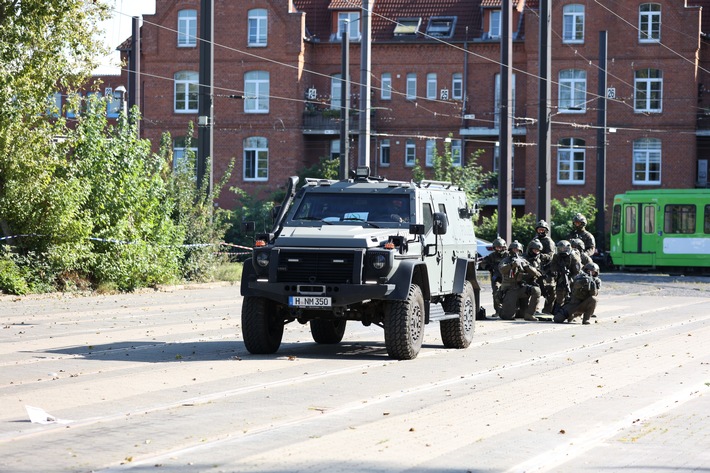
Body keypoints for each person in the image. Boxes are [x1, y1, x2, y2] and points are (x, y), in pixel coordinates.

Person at [498, 240, 541, 321]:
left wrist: (527, 266)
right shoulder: (506, 260)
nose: (516, 252)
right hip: (509, 289)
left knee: (536, 290)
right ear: (510, 250)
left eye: (517, 250)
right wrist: (512, 265)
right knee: (508, 317)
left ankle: (529, 314)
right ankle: (503, 310)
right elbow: (502, 269)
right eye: (514, 250)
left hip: (520, 288)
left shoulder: (523, 260)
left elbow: (536, 273)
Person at [549, 240, 582, 311]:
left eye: (564, 248)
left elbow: (577, 272)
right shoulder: (556, 256)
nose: (562, 250)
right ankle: (557, 308)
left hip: (572, 276)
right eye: (560, 248)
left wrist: (570, 279)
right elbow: (552, 267)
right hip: (561, 276)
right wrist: (557, 272)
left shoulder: (574, 257)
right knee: (559, 292)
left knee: (572, 293)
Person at [481, 237, 508, 317]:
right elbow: (483, 263)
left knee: (508, 293)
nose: (499, 249)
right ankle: (498, 311)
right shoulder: (491, 256)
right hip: (495, 277)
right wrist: (488, 267)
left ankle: (507, 310)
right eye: (497, 247)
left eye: (500, 247)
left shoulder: (507, 255)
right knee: (496, 293)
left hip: (506, 277)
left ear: (504, 247)